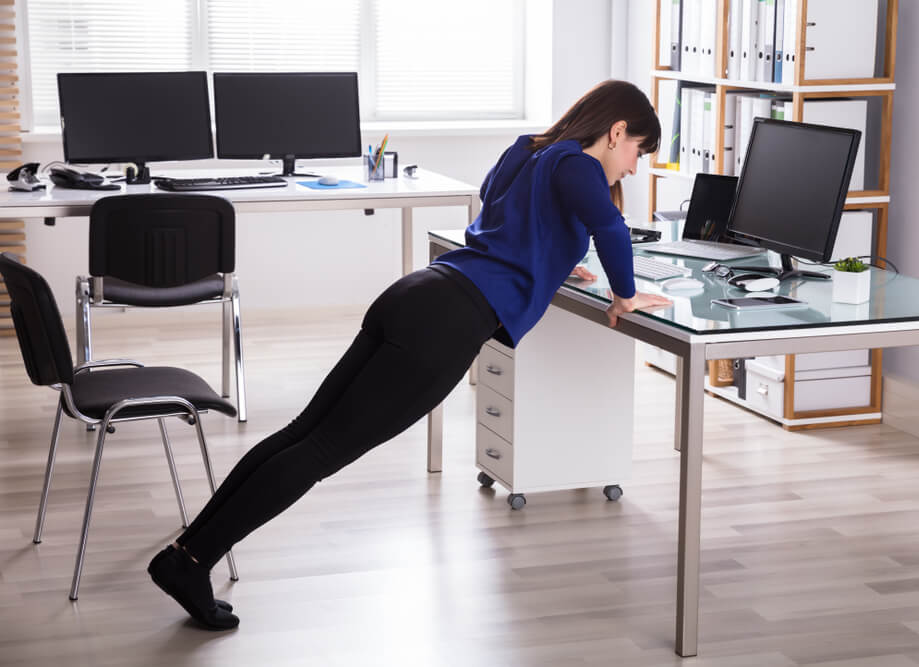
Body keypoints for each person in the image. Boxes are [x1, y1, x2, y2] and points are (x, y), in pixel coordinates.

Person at [147, 79, 673, 629]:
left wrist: (552, 261)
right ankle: (190, 562)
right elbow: (609, 225)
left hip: (417, 294)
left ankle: (185, 554)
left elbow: (501, 216)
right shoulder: (580, 166)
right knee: (319, 452)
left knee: (303, 433)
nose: (633, 167)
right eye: (638, 150)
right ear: (616, 133)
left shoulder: (530, 149)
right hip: (448, 324)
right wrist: (626, 294)